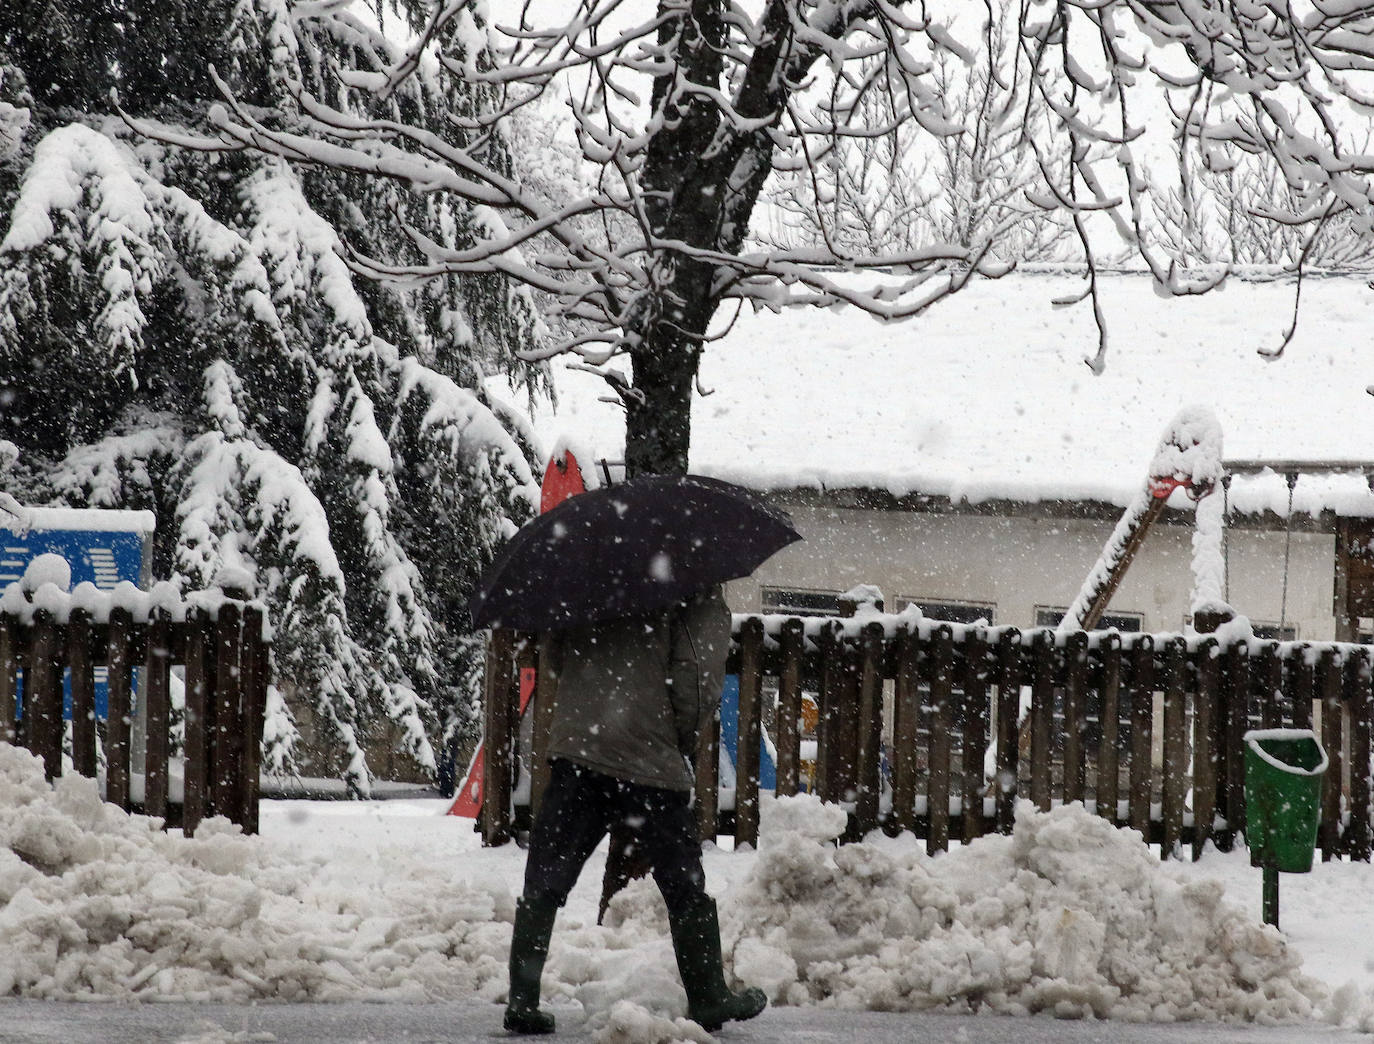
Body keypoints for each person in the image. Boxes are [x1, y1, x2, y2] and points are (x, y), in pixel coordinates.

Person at [505, 585, 768, 1035]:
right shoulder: (693, 583)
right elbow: (698, 677)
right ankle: (707, 995)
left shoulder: (585, 575)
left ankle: (522, 1000)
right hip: (646, 755)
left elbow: (556, 653)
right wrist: (677, 735)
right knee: (682, 879)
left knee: (547, 875)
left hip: (579, 748)